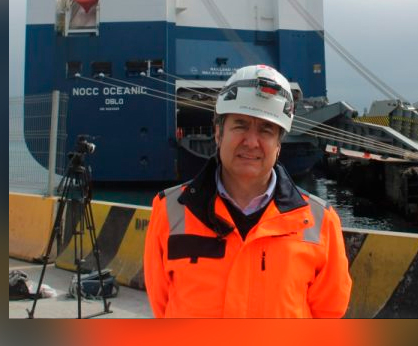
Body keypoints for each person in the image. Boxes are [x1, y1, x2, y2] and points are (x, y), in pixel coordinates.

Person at [144, 64, 352, 317]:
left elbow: (328, 314)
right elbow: (162, 304)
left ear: (279, 144)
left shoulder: (321, 222)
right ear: (218, 132)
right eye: (240, 125)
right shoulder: (169, 211)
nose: (251, 142)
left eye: (266, 129)